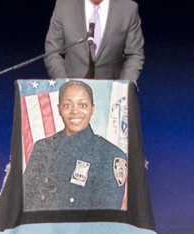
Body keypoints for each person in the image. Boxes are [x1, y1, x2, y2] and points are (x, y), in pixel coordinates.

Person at [22, 80, 127, 211]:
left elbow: (105, 219)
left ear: (92, 109)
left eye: (82, 105)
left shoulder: (110, 156)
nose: (75, 112)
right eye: (67, 105)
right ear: (59, 109)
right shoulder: (42, 147)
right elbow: (24, 201)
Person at [44, 0, 144, 83]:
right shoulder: (63, 7)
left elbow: (134, 54)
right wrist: (65, 85)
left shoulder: (128, 9)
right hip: (72, 95)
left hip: (113, 95)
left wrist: (122, 88)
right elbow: (52, 52)